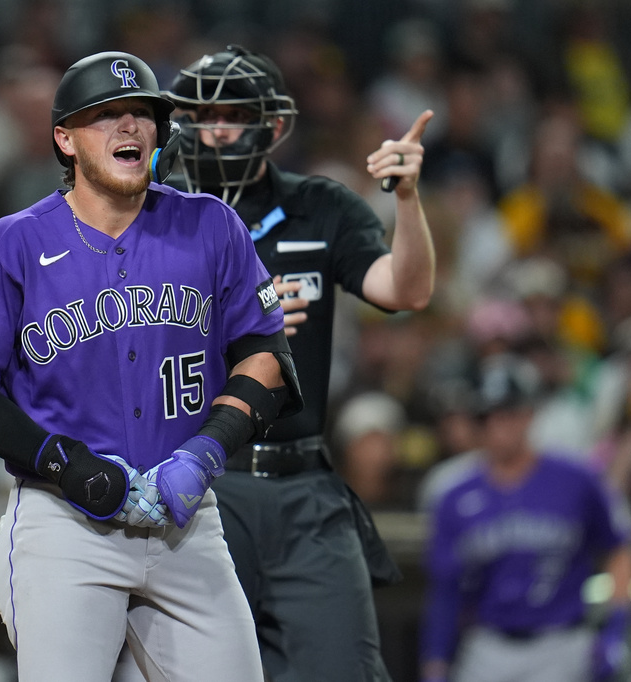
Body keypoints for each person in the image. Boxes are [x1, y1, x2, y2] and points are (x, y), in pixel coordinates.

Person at [0, 50, 302, 682]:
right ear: (64, 139)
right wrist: (64, 463)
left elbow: (266, 356)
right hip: (65, 523)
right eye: (105, 116)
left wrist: (207, 452)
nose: (128, 127)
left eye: (142, 114)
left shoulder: (211, 226)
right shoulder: (13, 243)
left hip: (186, 521)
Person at [158, 44, 436, 681]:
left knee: (344, 668)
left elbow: (407, 290)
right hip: (196, 482)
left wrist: (410, 201)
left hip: (301, 480)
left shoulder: (321, 206)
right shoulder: (154, 215)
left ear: (274, 125)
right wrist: (239, 318)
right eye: (202, 115)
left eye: (234, 114)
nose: (217, 129)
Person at [421, 354, 631, 682]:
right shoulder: (453, 494)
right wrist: (435, 662)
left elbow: (619, 549)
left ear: (529, 414)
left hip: (562, 642)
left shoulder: (575, 477)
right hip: (488, 644)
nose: (498, 427)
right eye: (487, 417)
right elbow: (446, 589)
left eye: (509, 414)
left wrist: (615, 627)